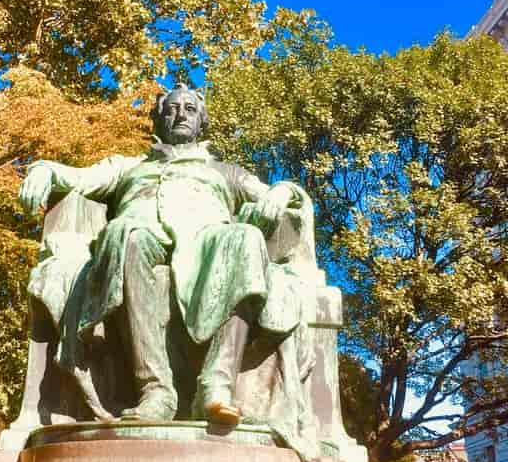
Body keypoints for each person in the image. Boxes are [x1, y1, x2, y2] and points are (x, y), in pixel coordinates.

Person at [18, 84, 305, 425]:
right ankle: (155, 390)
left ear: (202, 121)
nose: (180, 114)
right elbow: (79, 178)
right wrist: (43, 169)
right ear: (157, 119)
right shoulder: (129, 166)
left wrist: (285, 191)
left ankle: (216, 384)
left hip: (207, 239)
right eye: (171, 109)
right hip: (140, 231)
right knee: (125, 235)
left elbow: (276, 194)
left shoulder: (225, 171)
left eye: (189, 109)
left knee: (244, 237)